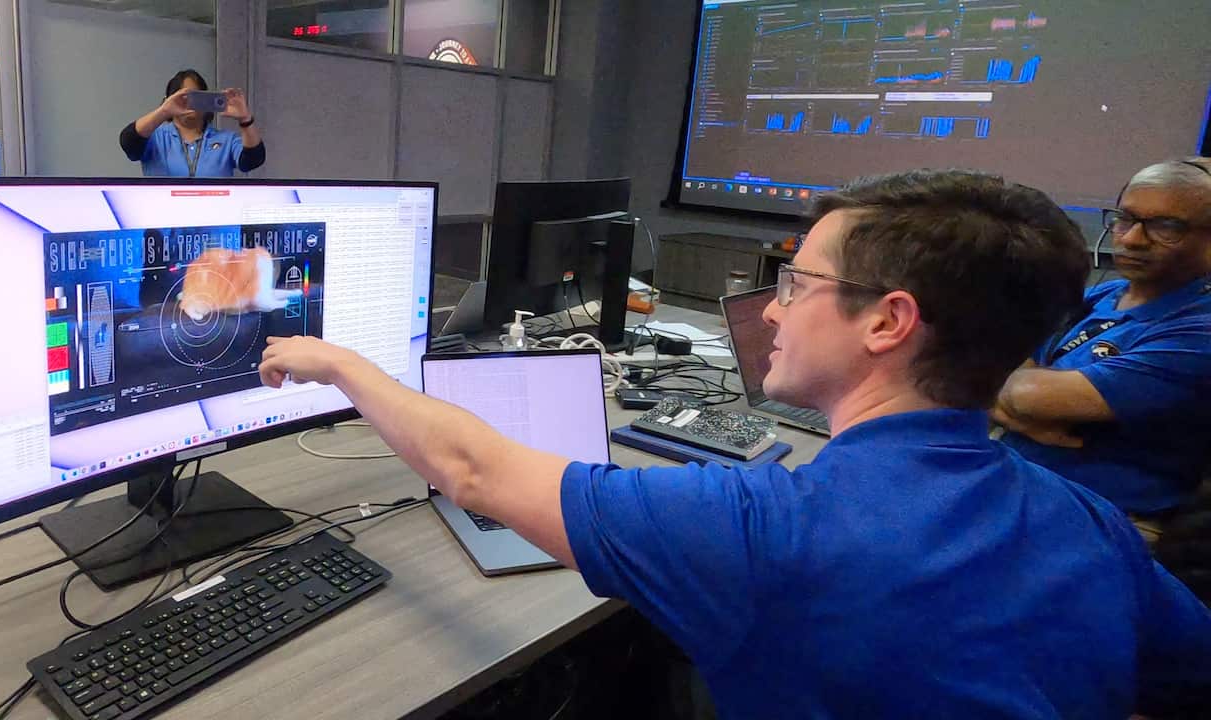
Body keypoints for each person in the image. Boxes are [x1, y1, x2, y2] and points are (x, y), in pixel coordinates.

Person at [258, 170, 1211, 718]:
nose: (777, 309)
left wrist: (344, 364)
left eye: (796, 282)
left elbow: (472, 469)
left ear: (888, 322)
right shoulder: (1091, 523)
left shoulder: (765, 529)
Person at [993, 158, 1211, 516]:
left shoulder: (1199, 329)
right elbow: (993, 355)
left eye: (1166, 226)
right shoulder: (1105, 293)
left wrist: (1000, 394)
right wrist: (1003, 398)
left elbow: (1026, 394)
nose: (1132, 239)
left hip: (1106, 517)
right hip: (1021, 485)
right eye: (1125, 218)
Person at [119, 69, 265, 177]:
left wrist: (245, 119)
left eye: (197, 96)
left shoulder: (226, 140)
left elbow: (253, 160)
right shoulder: (155, 138)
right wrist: (164, 111)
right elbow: (128, 142)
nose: (190, 103)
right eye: (183, 97)